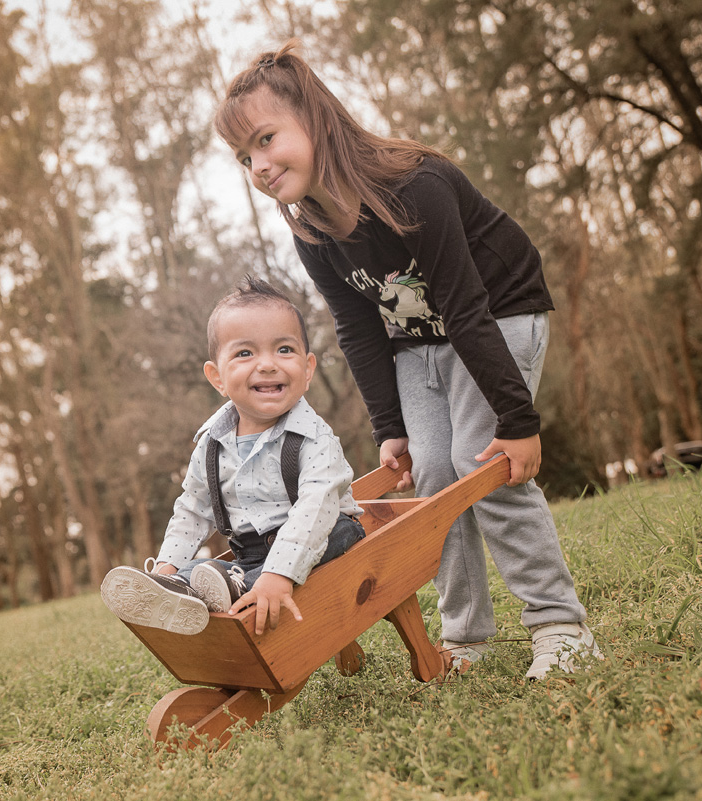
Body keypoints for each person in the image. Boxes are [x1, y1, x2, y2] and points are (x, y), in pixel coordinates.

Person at [214, 40, 602, 679]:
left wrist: (517, 419)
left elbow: (468, 306)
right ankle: (464, 641)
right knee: (432, 483)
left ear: (313, 117)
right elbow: (358, 329)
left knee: (485, 467)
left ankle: (561, 627)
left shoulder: (413, 186)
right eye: (242, 156)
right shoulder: (311, 229)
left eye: (264, 139)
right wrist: (390, 428)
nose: (256, 165)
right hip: (418, 338)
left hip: (496, 314)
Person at [100, 275, 365, 637]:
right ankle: (174, 588)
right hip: (250, 555)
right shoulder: (212, 444)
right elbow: (192, 509)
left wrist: (278, 575)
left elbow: (316, 509)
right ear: (217, 378)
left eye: (284, 349)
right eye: (245, 353)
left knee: (327, 534)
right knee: (195, 571)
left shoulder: (313, 438)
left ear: (307, 369)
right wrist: (166, 566)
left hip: (325, 537)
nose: (268, 364)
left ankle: (235, 586)